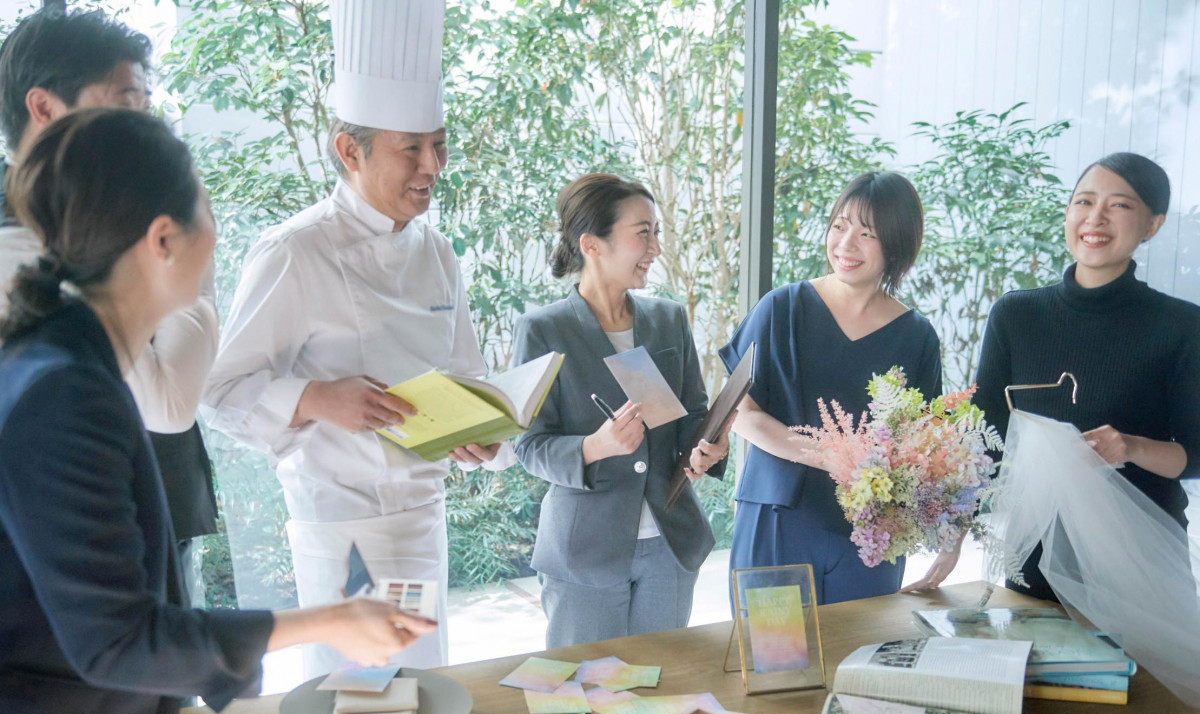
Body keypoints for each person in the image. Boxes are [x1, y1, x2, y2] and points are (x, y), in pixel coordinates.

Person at [0, 107, 435, 714]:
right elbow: (118, 638)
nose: (218, 229)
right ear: (162, 239)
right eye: (205, 206)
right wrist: (335, 620)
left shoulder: (70, 362)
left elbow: (78, 609)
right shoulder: (63, 391)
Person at [202, 0, 513, 678]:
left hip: (424, 521)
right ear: (350, 149)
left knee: (424, 696)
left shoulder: (438, 253)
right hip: (339, 528)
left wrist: (483, 436)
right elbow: (219, 393)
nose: (432, 165)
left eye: (439, 144)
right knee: (353, 709)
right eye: (411, 148)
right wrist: (314, 397)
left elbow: (467, 374)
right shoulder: (293, 252)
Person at [973, 152, 1200, 714]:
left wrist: (1130, 448)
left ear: (1153, 224)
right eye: (1083, 201)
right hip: (1035, 578)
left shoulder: (1180, 326)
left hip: (1139, 577)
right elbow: (981, 440)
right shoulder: (1017, 314)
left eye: (1120, 206)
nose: (1094, 219)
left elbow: (1193, 455)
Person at [0, 7, 221, 610]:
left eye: (146, 105)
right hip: (67, 553)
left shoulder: (132, 215)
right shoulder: (12, 247)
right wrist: (185, 266)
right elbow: (169, 399)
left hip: (161, 514)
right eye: (126, 103)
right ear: (43, 108)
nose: (144, 128)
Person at [510, 173, 730, 648]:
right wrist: (594, 447)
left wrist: (711, 443)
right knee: (587, 695)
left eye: (657, 233)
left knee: (664, 691)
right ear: (593, 244)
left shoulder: (668, 319)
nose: (654, 247)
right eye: (642, 232)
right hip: (584, 552)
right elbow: (527, 445)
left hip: (670, 546)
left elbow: (692, 414)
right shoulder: (542, 330)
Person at [720, 172, 951, 605]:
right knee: (776, 662)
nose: (846, 245)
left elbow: (927, 445)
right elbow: (742, 414)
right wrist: (832, 455)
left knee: (860, 662)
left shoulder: (917, 336)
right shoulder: (781, 308)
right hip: (777, 520)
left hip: (870, 533)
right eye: (840, 226)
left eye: (867, 233)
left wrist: (948, 528)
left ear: (897, 244)